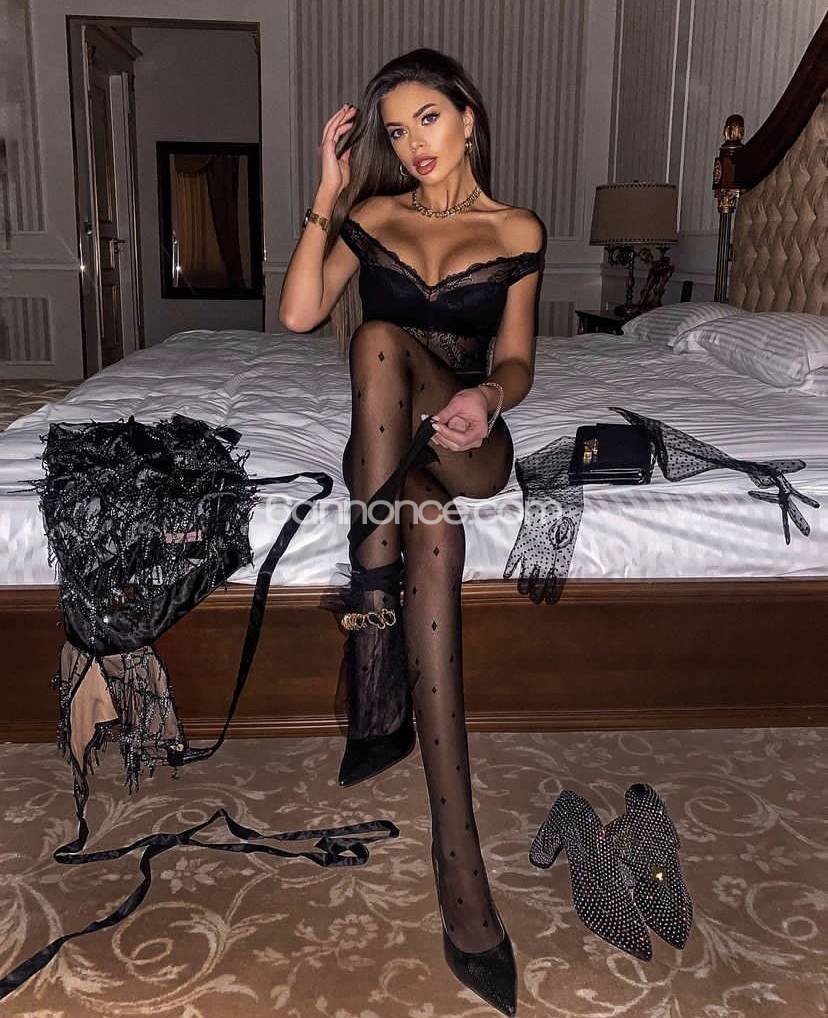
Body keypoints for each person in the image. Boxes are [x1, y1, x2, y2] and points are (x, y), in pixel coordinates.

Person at [279, 47, 545, 1017]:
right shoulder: (374, 215)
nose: (414, 143)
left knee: (383, 340)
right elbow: (299, 312)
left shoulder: (516, 229)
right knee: (432, 525)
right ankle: (461, 874)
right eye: (396, 130)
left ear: (467, 117)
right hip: (391, 461)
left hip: (468, 440)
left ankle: (371, 623)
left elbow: (517, 361)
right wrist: (327, 192)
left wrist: (485, 397)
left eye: (427, 119)